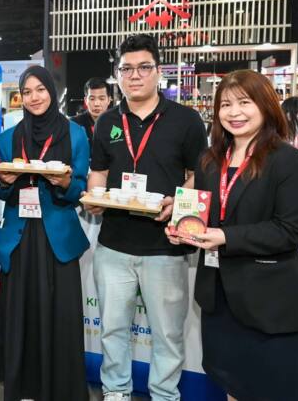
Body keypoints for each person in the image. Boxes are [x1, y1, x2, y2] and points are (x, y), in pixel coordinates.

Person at [166, 69, 298, 401]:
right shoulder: (209, 160)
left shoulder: (290, 161)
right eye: (226, 104)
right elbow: (204, 216)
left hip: (269, 301)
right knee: (232, 384)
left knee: (272, 389)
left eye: (244, 102)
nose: (234, 113)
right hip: (219, 298)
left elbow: (292, 230)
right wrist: (184, 230)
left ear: (265, 105)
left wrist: (225, 237)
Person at [83, 34, 207, 401]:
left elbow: (196, 176)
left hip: (165, 247)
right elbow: (98, 171)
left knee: (167, 333)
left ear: (158, 71)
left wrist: (178, 206)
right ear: (117, 74)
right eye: (126, 69)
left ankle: (164, 395)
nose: (134, 75)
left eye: (143, 67)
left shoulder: (186, 120)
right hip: (113, 245)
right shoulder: (107, 121)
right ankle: (115, 391)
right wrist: (94, 197)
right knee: (112, 330)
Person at [0, 66, 90, 401]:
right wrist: (5, 183)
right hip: (19, 235)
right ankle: (23, 387)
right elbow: (1, 192)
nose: (34, 97)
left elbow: (79, 191)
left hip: (57, 236)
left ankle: (60, 389)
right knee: (20, 313)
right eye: (27, 91)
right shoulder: (8, 138)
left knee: (59, 315)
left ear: (52, 91)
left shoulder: (75, 134)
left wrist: (65, 183)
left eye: (41, 90)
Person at [71, 76, 112, 147]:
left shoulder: (116, 122)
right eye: (92, 99)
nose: (96, 104)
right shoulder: (74, 124)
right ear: (86, 100)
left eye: (101, 99)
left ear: (109, 100)